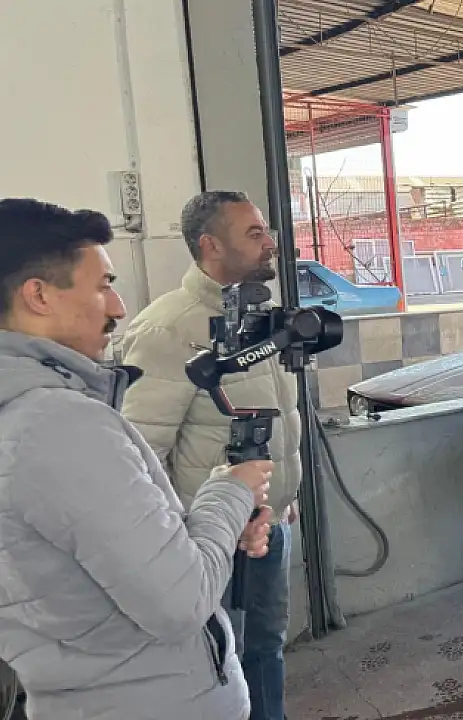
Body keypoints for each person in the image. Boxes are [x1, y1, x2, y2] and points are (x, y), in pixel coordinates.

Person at [0, 198, 273, 719]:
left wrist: (214, 525)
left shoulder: (27, 417)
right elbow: (180, 602)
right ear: (39, 296)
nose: (118, 307)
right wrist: (230, 490)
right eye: (103, 285)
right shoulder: (58, 425)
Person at [120, 191, 299, 720]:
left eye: (266, 231)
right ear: (210, 245)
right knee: (220, 662)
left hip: (269, 525)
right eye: (254, 233)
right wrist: (187, 535)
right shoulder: (169, 329)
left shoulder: (258, 320)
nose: (270, 243)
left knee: (266, 647)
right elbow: (142, 453)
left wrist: (283, 498)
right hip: (211, 539)